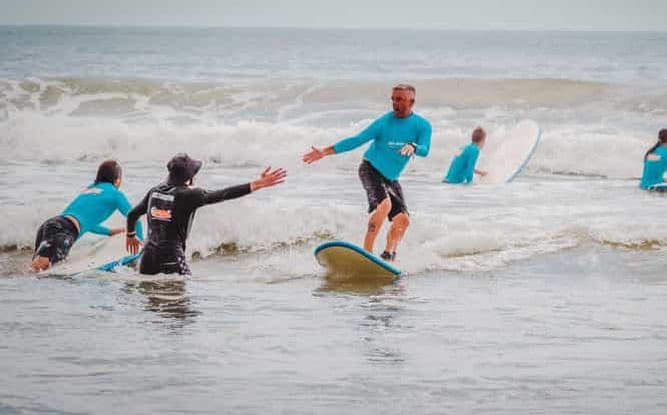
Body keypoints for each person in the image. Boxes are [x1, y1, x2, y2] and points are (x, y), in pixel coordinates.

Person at [302, 84, 432, 261]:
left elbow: (425, 150)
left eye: (400, 99)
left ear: (412, 101)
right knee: (384, 206)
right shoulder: (384, 122)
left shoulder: (422, 126)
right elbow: (357, 140)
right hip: (370, 169)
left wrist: (414, 146)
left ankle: (388, 255)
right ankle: (367, 253)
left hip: (391, 178)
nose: (395, 103)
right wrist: (325, 152)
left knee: (403, 220)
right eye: (393, 99)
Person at [125, 153, 287, 275]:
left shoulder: (155, 191)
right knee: (180, 314)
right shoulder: (189, 195)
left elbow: (132, 214)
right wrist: (257, 184)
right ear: (189, 178)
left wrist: (131, 235)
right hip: (171, 259)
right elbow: (223, 194)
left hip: (146, 260)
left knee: (154, 310)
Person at [30, 160, 143, 271]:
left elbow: (86, 222)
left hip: (51, 224)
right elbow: (134, 217)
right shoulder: (116, 194)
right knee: (46, 271)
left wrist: (109, 232)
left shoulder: (90, 189)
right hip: (65, 230)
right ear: (117, 180)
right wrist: (141, 243)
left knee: (37, 271)